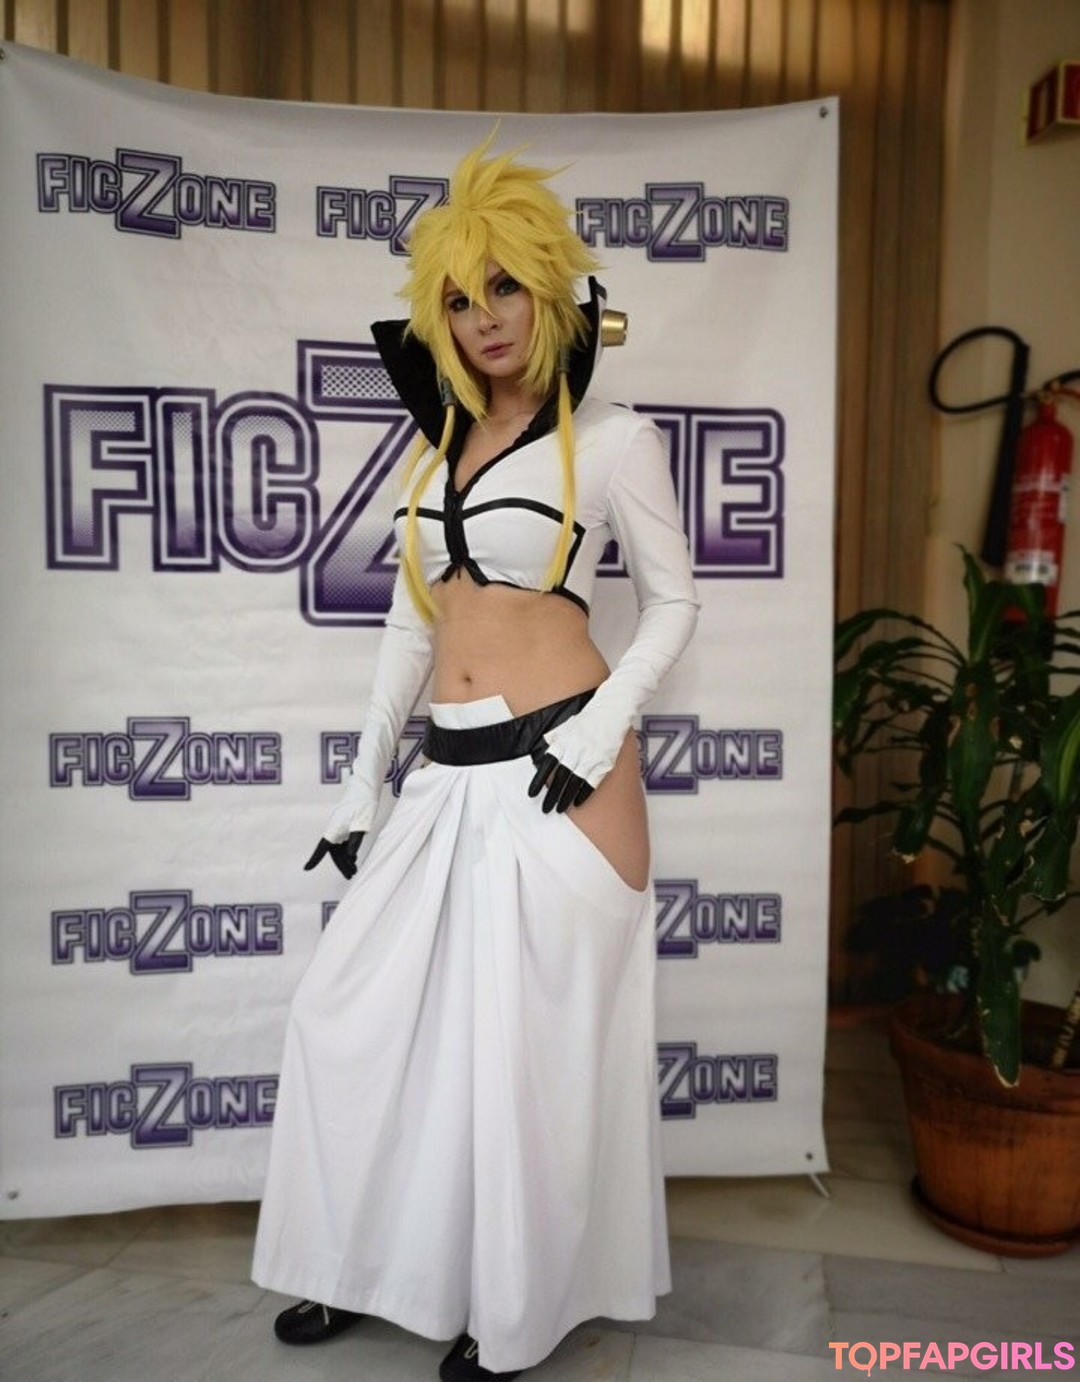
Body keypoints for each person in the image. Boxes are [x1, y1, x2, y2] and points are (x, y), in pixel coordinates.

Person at [251, 135, 699, 1382]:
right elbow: (415, 625)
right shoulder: (433, 452)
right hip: (444, 776)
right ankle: (364, 1263)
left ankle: (506, 1306)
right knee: (355, 1017)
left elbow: (674, 603)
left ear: (550, 289)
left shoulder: (614, 440)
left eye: (504, 285)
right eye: (458, 296)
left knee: (522, 1064)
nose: (484, 315)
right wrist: (362, 780)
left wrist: (601, 728)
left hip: (564, 775)